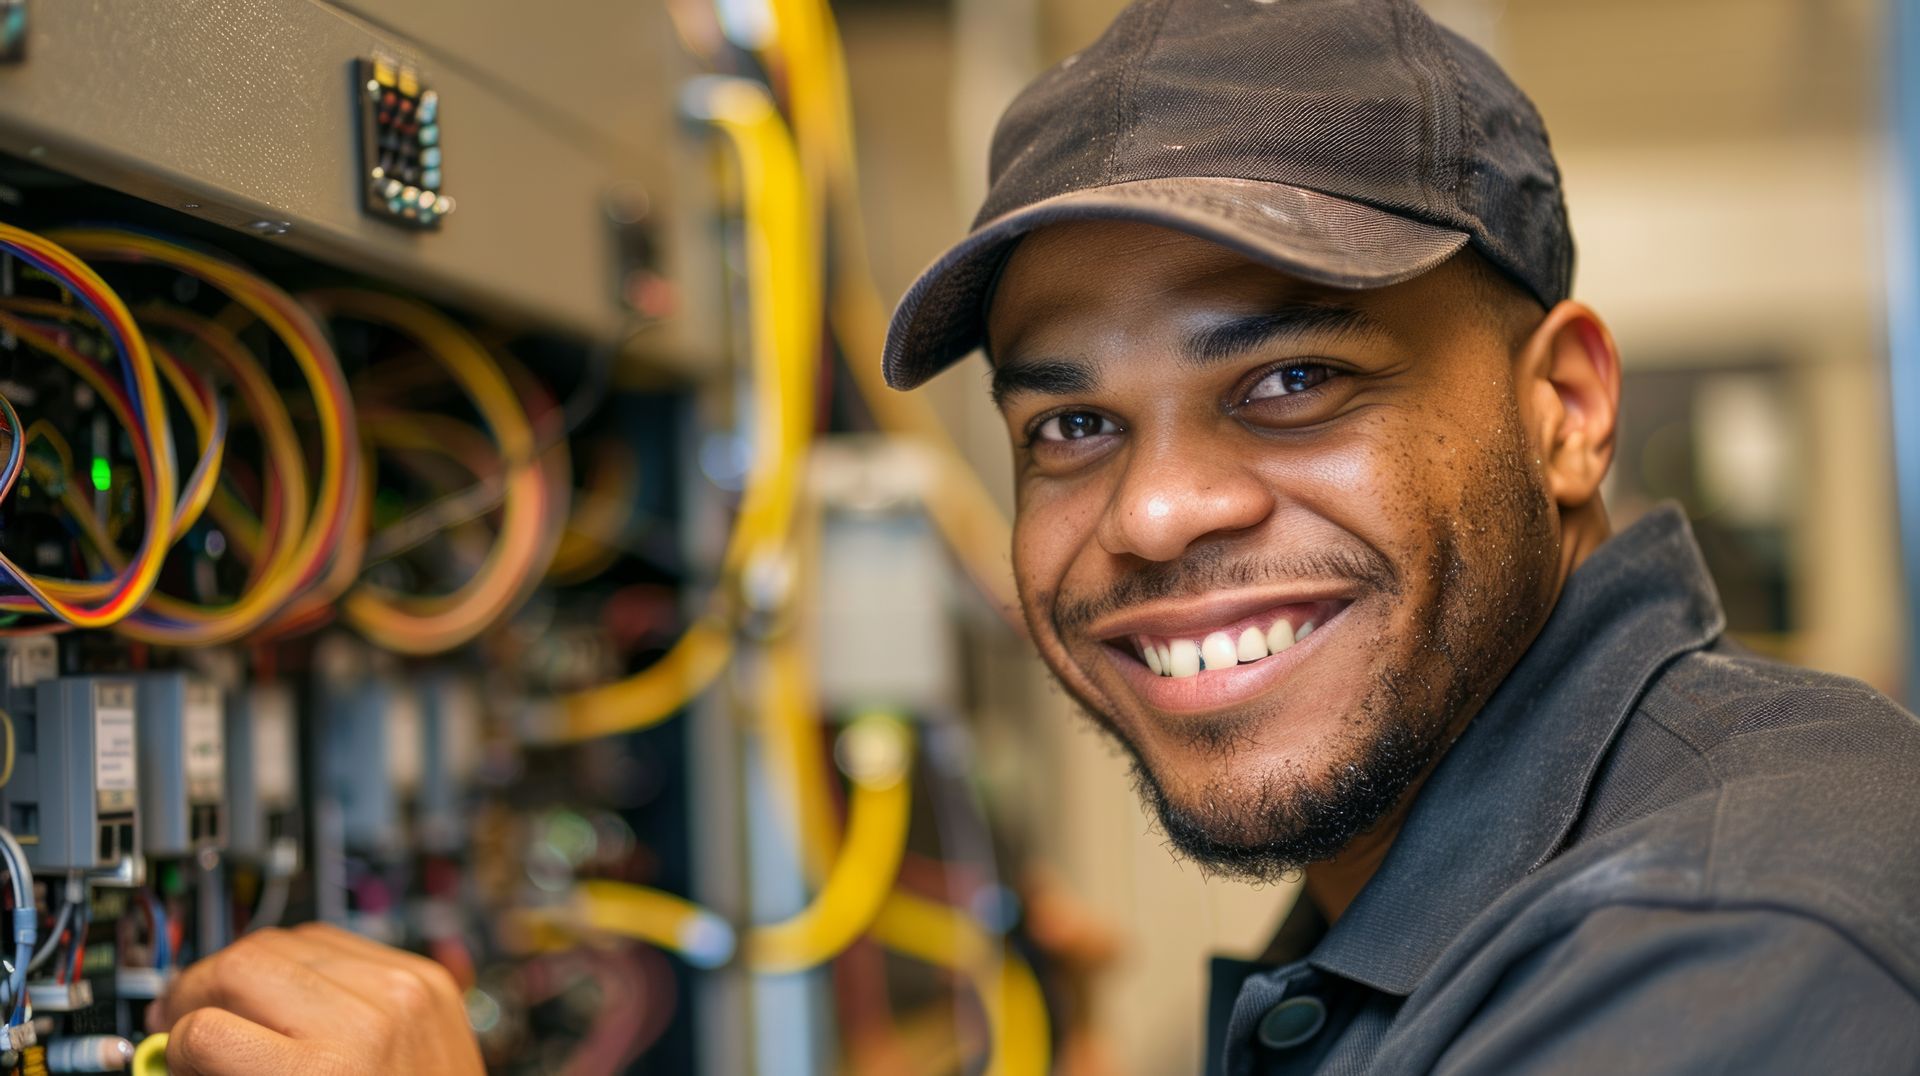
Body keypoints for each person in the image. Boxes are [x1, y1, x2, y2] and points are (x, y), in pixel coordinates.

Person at [153, 0, 1920, 1072]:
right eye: (1071, 424)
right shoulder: (1473, 899)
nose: (1152, 512)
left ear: (1567, 404)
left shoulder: (1726, 944)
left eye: (1295, 377)